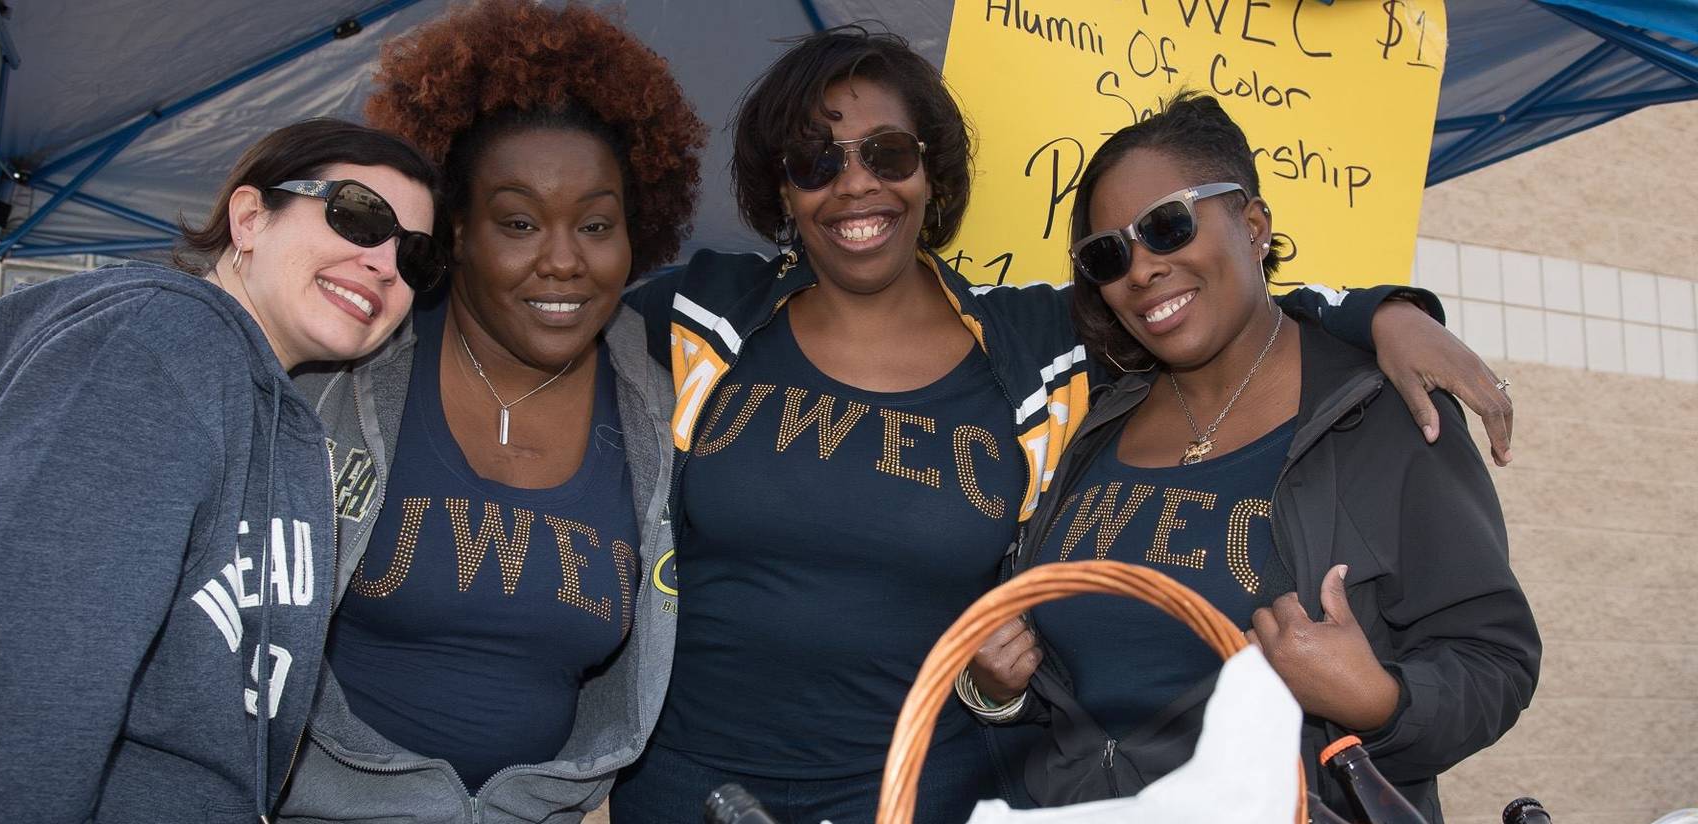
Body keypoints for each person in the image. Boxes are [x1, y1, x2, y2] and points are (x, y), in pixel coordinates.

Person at [611, 26, 1517, 824]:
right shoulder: (703, 316)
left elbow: (1227, 300)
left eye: (887, 153)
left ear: (930, 167)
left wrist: (1380, 314)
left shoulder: (1037, 351)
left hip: (920, 793)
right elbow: (548, 301)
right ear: (781, 189)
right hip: (688, 789)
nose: (855, 184)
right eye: (815, 162)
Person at [0, 119, 442, 823]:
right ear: (250, 217)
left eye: (415, 256)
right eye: (358, 217)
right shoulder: (155, 344)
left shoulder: (267, 414)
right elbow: (23, 677)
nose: (385, 263)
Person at [966, 92, 1540, 823]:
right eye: (1109, 255)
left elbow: (1496, 660)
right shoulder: (1096, 425)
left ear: (1254, 224)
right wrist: (999, 689)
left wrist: (1379, 703)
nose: (1141, 269)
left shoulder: (1378, 413)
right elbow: (1078, 685)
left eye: (1168, 226)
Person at [270, 3, 703, 822]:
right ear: (456, 228)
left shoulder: (662, 413)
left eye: (597, 225)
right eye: (518, 222)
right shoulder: (346, 365)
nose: (565, 259)